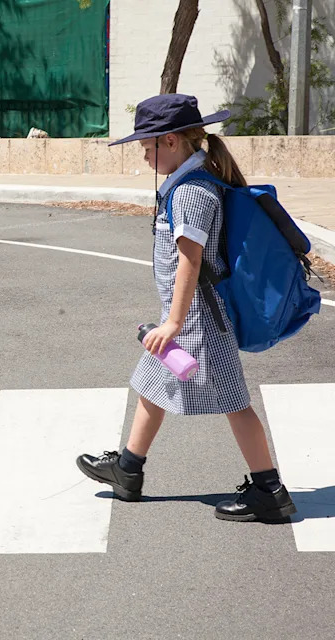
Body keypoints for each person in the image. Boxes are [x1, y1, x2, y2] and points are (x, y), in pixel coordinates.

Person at [76, 94, 296, 523]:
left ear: (171, 141)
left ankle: (270, 491)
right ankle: (127, 470)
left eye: (147, 147)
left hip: (199, 322)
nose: (143, 156)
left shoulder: (193, 192)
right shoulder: (188, 182)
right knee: (152, 384)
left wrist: (174, 322)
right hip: (190, 319)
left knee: (234, 401)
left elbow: (190, 260)